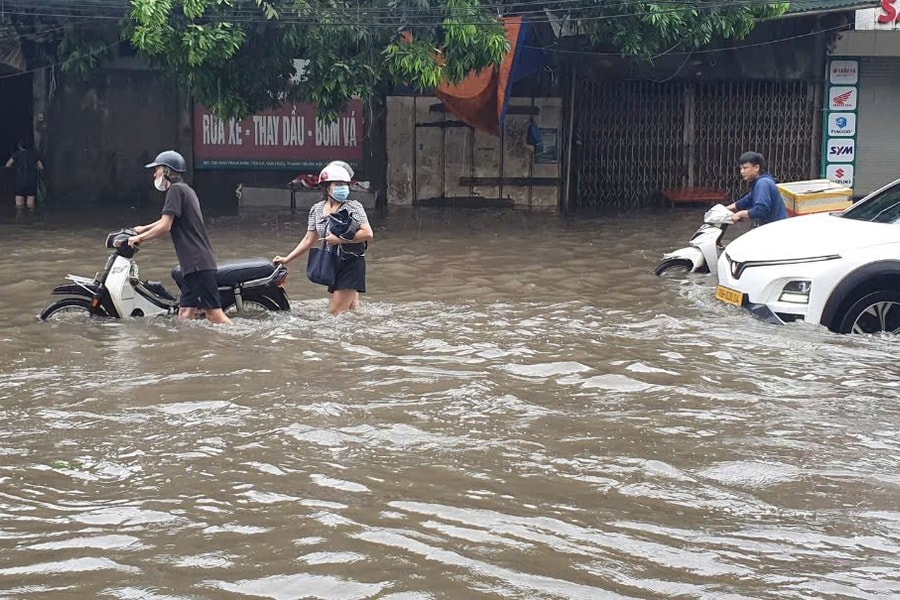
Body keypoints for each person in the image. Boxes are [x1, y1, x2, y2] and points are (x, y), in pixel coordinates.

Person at [127, 150, 233, 325]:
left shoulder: (175, 190)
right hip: (194, 264)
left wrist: (139, 239)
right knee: (185, 314)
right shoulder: (185, 189)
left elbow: (165, 226)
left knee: (214, 315)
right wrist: (143, 228)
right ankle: (189, 347)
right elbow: (166, 219)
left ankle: (238, 344)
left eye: (158, 169)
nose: (155, 174)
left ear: (167, 171)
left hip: (197, 264)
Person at [274, 162, 374, 315]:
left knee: (335, 312)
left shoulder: (353, 207)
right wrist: (287, 259)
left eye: (345, 184)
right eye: (338, 184)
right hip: (333, 263)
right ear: (327, 187)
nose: (343, 188)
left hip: (351, 263)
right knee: (353, 314)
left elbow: (368, 233)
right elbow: (309, 239)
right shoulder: (317, 209)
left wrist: (340, 239)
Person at [726, 151, 788, 226]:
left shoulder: (762, 183)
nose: (742, 172)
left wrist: (740, 214)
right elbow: (747, 200)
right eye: (741, 168)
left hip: (775, 228)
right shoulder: (760, 182)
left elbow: (761, 210)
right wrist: (725, 209)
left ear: (756, 167)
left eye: (745, 168)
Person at [5, 140, 44, 213]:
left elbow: (8, 165)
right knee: (31, 204)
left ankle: (20, 220)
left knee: (19, 205)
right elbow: (41, 167)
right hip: (31, 180)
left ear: (20, 146)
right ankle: (31, 219)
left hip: (20, 180)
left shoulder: (16, 154)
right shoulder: (35, 154)